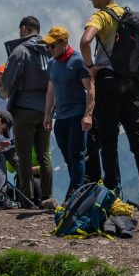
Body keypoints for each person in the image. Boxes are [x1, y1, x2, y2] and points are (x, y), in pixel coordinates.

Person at [79, 0, 139, 211]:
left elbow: (85, 41)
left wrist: (90, 66)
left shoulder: (101, 16)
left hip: (109, 81)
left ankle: (112, 196)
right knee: (138, 141)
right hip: (131, 83)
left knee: (109, 141)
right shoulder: (126, 15)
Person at [2, 16, 56, 209]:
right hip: (46, 109)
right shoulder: (51, 50)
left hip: (24, 108)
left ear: (24, 29)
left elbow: (8, 81)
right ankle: (48, 197)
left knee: (23, 156)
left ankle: (26, 199)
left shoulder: (20, 51)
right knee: (44, 154)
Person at [41, 26, 95, 201]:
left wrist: (88, 115)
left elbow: (91, 89)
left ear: (64, 43)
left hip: (77, 114)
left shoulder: (78, 61)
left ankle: (75, 193)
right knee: (67, 156)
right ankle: (80, 185)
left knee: (76, 154)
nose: (50, 50)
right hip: (61, 117)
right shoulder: (52, 63)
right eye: (48, 47)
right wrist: (47, 114)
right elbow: (51, 91)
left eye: (52, 46)